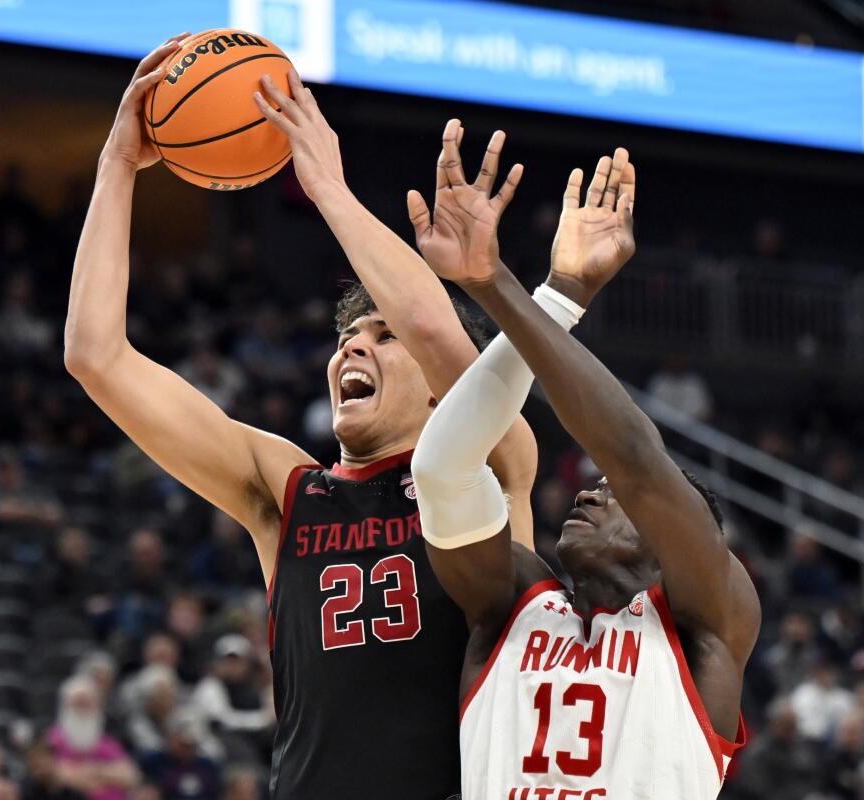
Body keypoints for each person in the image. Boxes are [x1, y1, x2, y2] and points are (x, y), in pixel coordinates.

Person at [65, 37, 537, 799]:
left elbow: (434, 329)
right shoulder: (286, 489)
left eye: (381, 338)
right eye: (348, 337)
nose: (357, 346)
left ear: (437, 390)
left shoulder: (498, 461)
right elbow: (95, 356)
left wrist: (329, 191)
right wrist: (117, 165)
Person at [408, 136, 759, 797]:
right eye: (597, 490)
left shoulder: (709, 623)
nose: (591, 493)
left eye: (615, 498)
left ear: (674, 535)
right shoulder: (512, 605)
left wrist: (499, 285)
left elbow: (631, 456)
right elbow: (442, 471)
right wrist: (558, 293)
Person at [47, 676, 139, 800]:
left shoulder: (106, 742)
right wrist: (106, 775)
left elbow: (130, 777)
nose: (83, 709)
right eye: (78, 704)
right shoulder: (54, 739)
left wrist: (88, 772)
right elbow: (56, 775)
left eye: (88, 704)